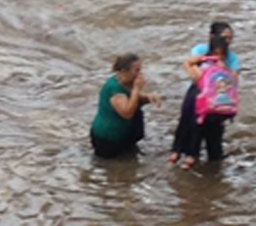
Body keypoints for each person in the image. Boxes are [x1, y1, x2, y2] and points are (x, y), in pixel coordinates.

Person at [169, 22, 241, 168]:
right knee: (191, 124)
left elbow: (233, 81)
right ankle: (185, 153)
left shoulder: (232, 58)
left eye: (230, 38)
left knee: (214, 135)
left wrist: (222, 68)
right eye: (225, 37)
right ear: (213, 37)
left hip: (220, 97)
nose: (228, 41)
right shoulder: (201, 51)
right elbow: (192, 68)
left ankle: (211, 162)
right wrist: (206, 61)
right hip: (199, 94)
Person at [90, 53, 161, 159]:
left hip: (124, 134)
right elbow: (127, 113)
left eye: (140, 70)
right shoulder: (114, 89)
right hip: (109, 138)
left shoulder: (126, 83)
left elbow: (132, 97)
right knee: (111, 167)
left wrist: (148, 97)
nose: (140, 74)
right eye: (136, 70)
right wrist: (137, 88)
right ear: (124, 71)